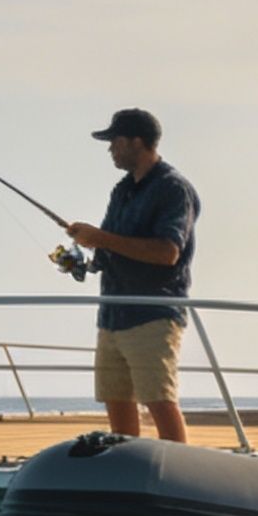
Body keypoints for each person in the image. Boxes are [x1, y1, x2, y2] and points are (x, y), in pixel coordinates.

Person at [66, 108, 200, 443]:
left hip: (152, 313)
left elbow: (168, 252)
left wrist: (100, 238)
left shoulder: (173, 188)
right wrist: (85, 257)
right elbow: (109, 248)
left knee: (159, 399)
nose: (111, 148)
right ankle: (126, 470)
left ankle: (177, 471)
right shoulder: (122, 190)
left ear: (136, 142)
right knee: (117, 400)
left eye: (115, 141)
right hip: (112, 314)